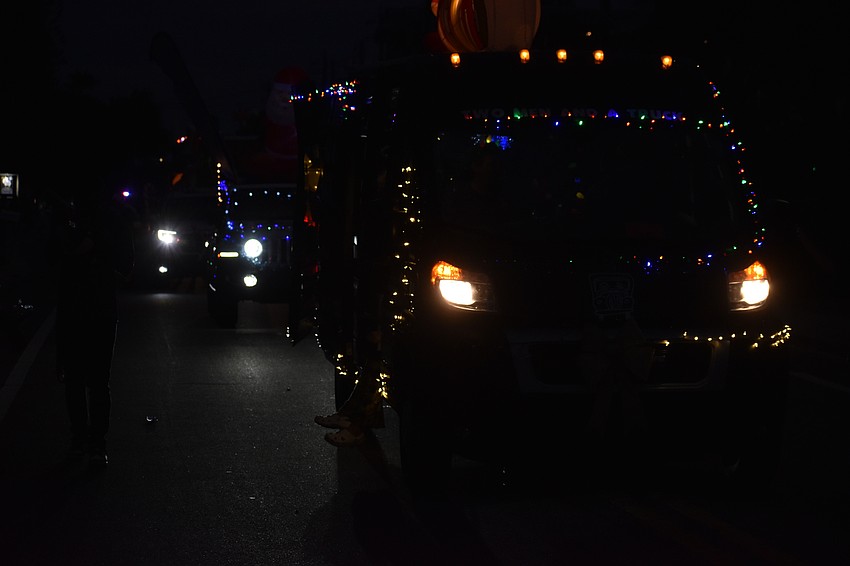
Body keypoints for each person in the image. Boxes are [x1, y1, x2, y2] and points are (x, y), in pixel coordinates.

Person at [53, 184, 135, 466]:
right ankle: (92, 444)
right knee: (91, 382)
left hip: (86, 308)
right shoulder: (92, 222)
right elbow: (127, 265)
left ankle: (86, 442)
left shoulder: (82, 222)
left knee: (81, 380)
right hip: (88, 308)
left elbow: (125, 264)